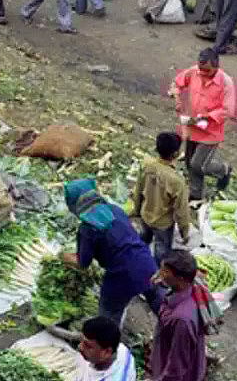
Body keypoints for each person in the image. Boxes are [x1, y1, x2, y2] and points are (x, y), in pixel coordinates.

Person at [61, 177, 161, 323]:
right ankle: (173, 330)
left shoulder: (87, 229)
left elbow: (83, 263)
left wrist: (63, 257)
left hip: (122, 276)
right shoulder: (115, 210)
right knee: (158, 301)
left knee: (108, 315)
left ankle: (107, 343)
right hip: (146, 262)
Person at [171, 48, 236, 200]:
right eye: (201, 69)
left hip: (211, 131)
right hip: (192, 126)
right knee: (189, 163)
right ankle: (196, 193)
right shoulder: (194, 71)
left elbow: (228, 110)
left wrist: (205, 117)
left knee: (198, 164)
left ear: (216, 66)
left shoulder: (226, 82)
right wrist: (177, 97)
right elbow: (177, 82)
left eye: (207, 71)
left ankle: (223, 170)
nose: (203, 74)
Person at [132, 132, 191, 261]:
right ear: (175, 154)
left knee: (142, 243)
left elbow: (138, 191)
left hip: (145, 216)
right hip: (163, 225)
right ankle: (156, 274)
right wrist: (184, 232)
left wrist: (136, 211)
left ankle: (139, 261)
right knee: (161, 253)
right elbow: (181, 210)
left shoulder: (147, 167)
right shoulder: (177, 181)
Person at [151, 251, 208, 381]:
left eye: (165, 271)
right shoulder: (190, 287)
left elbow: (176, 367)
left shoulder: (181, 320)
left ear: (181, 278)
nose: (161, 274)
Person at [76, 316, 135, 381]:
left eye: (87, 345)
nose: (80, 347)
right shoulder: (122, 350)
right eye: (80, 340)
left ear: (107, 352)